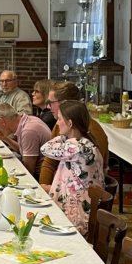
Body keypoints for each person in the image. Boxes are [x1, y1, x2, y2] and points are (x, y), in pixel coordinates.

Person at [39, 99, 104, 235]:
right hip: (86, 205)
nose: (57, 123)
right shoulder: (84, 142)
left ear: (70, 123)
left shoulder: (75, 146)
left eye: (59, 119)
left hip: (78, 214)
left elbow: (45, 148)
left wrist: (62, 136)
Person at [38, 82, 110, 187]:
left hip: (77, 192)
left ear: (66, 104)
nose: (48, 107)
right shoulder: (67, 128)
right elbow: (49, 162)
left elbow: (46, 151)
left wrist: (46, 189)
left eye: (51, 102)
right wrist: (43, 186)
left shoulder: (88, 136)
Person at [0, 102, 51, 177]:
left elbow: (29, 170)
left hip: (39, 177)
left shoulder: (28, 131)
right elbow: (22, 150)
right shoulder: (27, 120)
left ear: (2, 121)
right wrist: (5, 138)